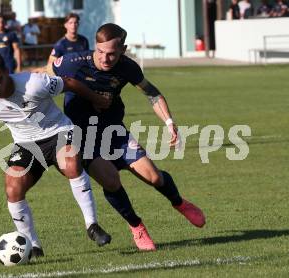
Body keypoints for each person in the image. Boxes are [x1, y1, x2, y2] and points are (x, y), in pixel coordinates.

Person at [48, 23, 206, 251]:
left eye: (112, 53)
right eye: (100, 52)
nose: (105, 58)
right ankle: (137, 226)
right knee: (111, 181)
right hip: (83, 138)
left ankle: (179, 203)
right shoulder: (72, 63)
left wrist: (170, 123)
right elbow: (43, 80)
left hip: (114, 132)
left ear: (123, 49)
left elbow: (152, 93)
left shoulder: (127, 67)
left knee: (153, 177)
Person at [0, 52, 112, 256]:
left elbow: (69, 82)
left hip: (58, 131)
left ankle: (92, 226)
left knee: (70, 164)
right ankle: (33, 246)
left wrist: (96, 99)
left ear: (7, 72)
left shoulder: (34, 84)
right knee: (13, 188)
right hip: (25, 143)